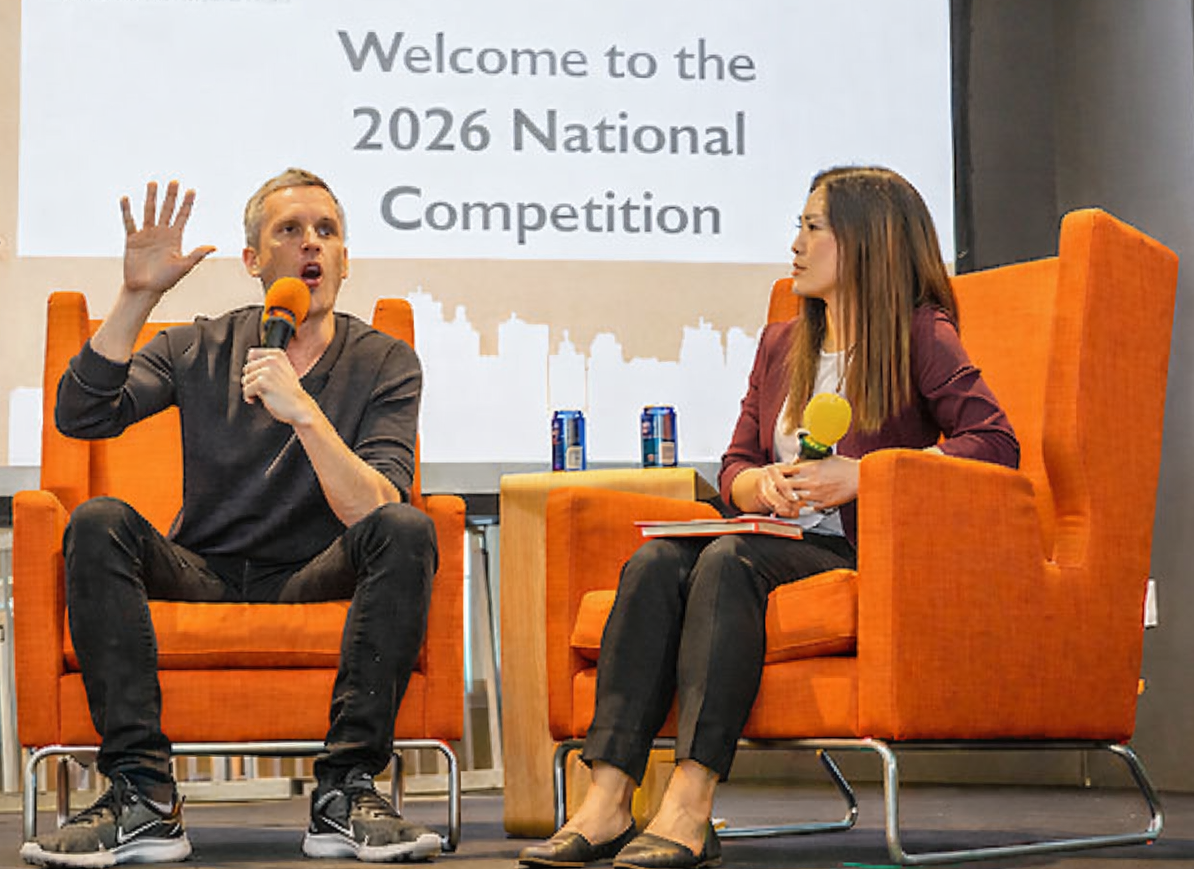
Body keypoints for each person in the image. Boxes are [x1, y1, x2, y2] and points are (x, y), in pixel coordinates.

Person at [517, 165, 1020, 869]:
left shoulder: (920, 333)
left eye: (813, 226)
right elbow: (735, 463)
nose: (796, 242)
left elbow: (996, 444)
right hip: (773, 536)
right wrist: (758, 485)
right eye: (800, 225)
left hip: (851, 551)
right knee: (657, 561)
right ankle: (605, 799)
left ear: (867, 241)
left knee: (728, 561)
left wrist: (864, 475)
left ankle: (691, 804)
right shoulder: (783, 344)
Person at [20, 169, 442, 867]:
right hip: (204, 568)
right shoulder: (199, 346)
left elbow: (376, 506)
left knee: (406, 528)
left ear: (344, 260)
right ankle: (144, 797)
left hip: (315, 570)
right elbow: (81, 415)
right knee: (97, 521)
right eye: (290, 230)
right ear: (254, 262)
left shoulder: (383, 361)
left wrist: (304, 410)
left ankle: (343, 793)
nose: (312, 243)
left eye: (326, 231)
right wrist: (136, 297)